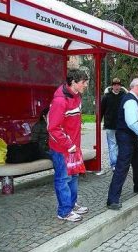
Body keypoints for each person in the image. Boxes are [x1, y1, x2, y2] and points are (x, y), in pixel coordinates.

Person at [47, 69, 89, 222]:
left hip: (73, 148)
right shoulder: (60, 101)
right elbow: (52, 128)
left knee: (74, 176)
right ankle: (64, 212)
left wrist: (74, 146)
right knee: (63, 179)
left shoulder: (76, 96)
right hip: (62, 149)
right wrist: (69, 144)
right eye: (83, 82)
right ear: (73, 82)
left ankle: (71, 204)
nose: (86, 85)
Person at [107, 78, 138, 210]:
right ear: (137, 87)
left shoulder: (130, 98)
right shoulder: (131, 100)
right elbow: (131, 122)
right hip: (126, 136)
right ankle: (112, 200)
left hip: (129, 136)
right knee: (122, 166)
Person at [99, 77, 127, 174]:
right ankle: (114, 164)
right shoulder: (106, 97)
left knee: (120, 145)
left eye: (118, 85)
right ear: (112, 86)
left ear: (120, 86)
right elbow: (101, 110)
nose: (116, 86)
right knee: (112, 146)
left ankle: (119, 163)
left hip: (121, 126)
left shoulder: (124, 96)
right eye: (115, 85)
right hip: (110, 125)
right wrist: (99, 121)